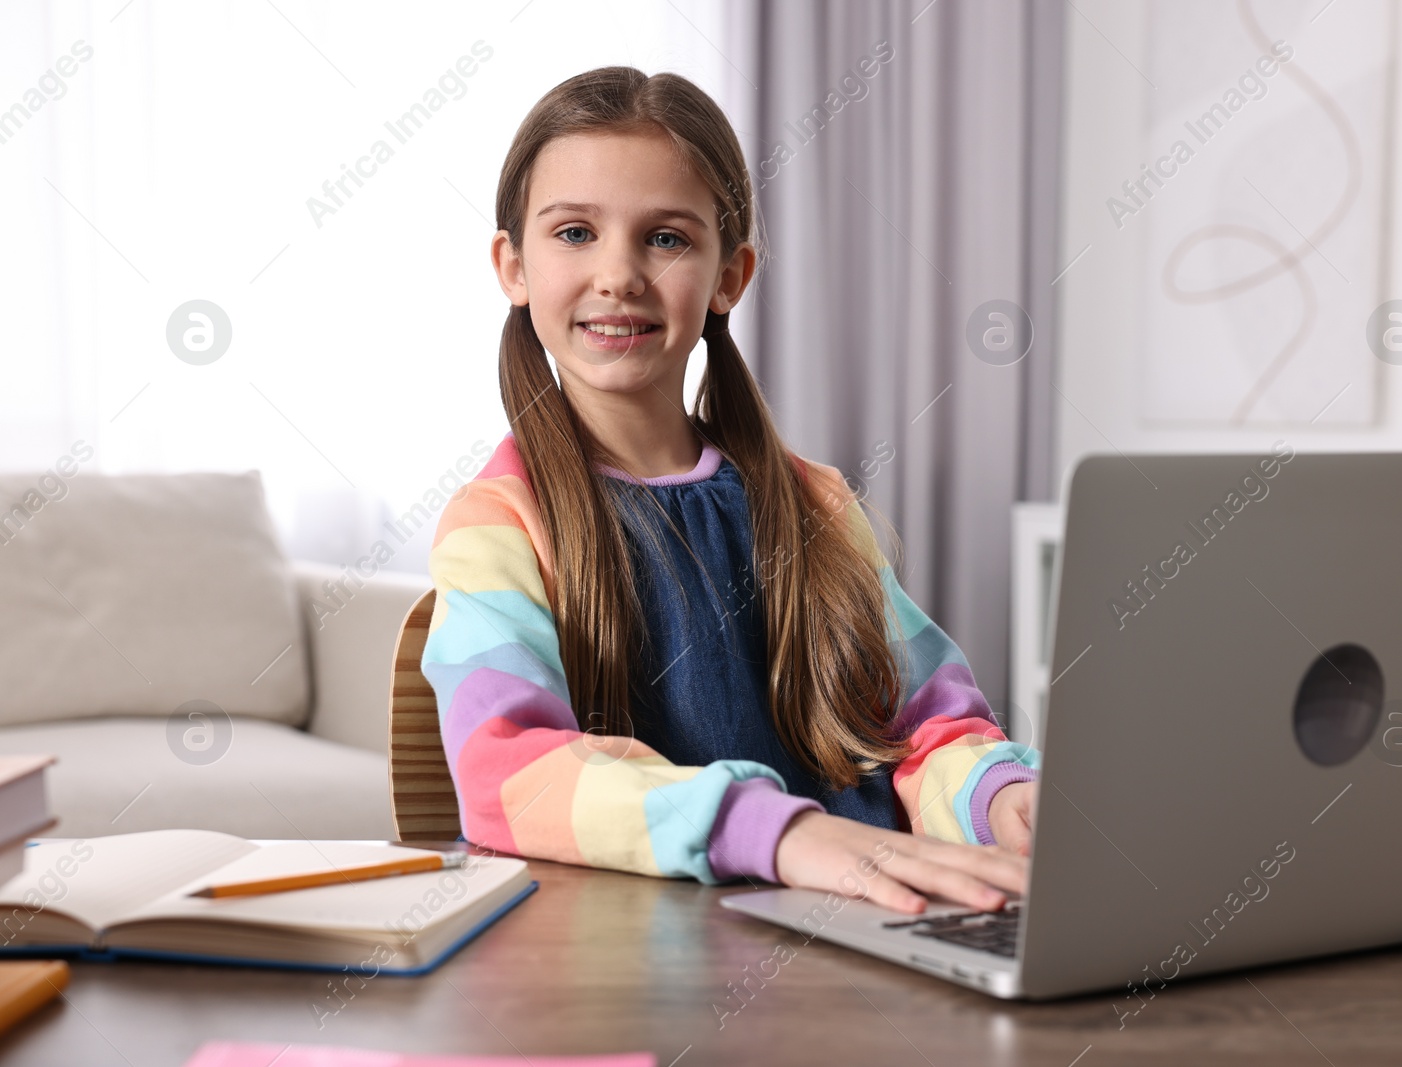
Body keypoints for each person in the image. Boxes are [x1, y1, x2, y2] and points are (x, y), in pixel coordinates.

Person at [421, 65, 1039, 916]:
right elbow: (509, 774)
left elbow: (929, 730)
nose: (619, 274)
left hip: (869, 937)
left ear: (729, 276)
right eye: (574, 232)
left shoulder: (814, 505)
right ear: (512, 264)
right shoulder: (498, 524)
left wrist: (1000, 799)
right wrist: (784, 834)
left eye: (666, 238)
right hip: (636, 963)